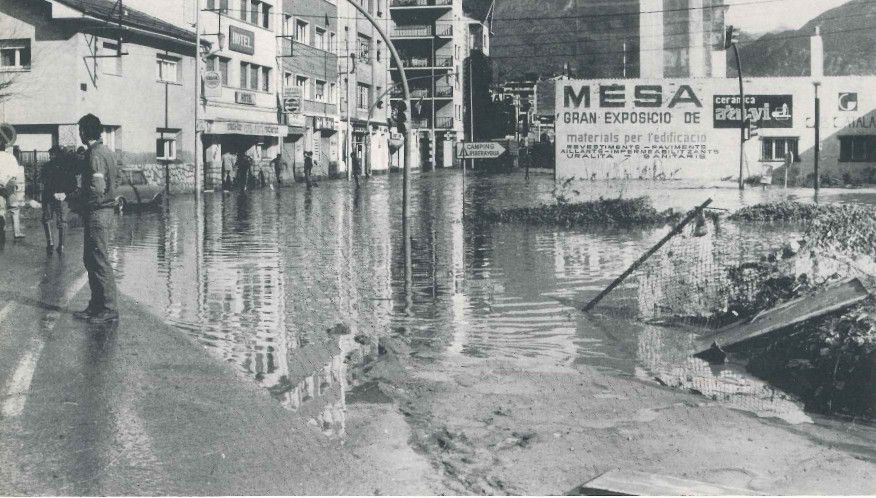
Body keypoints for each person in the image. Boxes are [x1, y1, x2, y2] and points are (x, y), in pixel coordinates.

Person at [68, 113, 119, 324]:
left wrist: (74, 197)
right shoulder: (106, 151)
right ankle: (96, 306)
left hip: (98, 212)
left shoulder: (95, 154)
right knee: (92, 259)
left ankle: (108, 308)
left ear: (83, 132)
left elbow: (97, 189)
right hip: (103, 212)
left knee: (98, 261)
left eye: (80, 130)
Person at [40, 146, 76, 254]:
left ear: (55, 155)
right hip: (62, 197)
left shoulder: (47, 166)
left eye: (51, 154)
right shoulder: (68, 167)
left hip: (50, 196)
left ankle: (50, 244)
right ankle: (61, 246)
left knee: (47, 219)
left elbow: (44, 182)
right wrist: (65, 194)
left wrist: (54, 193)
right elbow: (73, 183)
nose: (50, 156)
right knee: (62, 221)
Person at [0, 139, 25, 240]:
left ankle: (2, 231)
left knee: (1, 209)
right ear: (4, 147)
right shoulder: (11, 157)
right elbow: (15, 172)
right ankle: (17, 232)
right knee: (14, 209)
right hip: (9, 184)